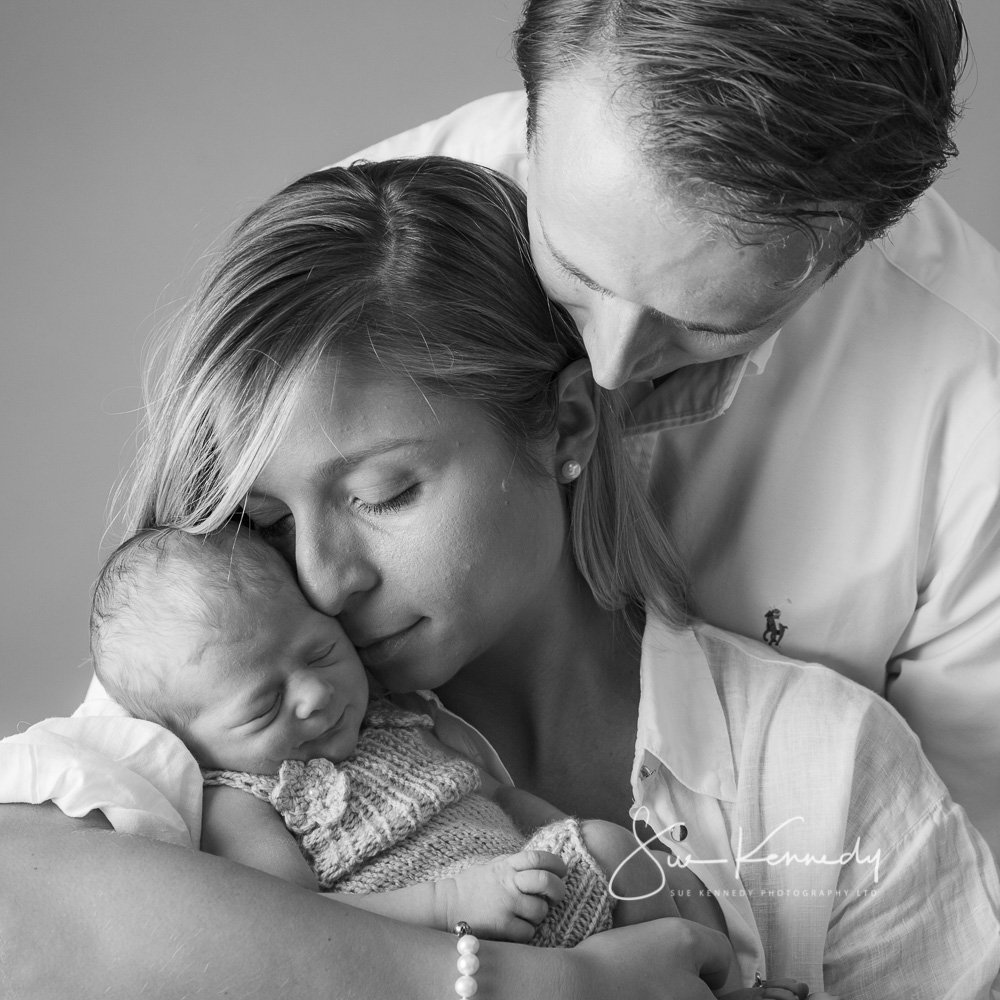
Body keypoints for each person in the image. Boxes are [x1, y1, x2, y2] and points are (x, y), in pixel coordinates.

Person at [1, 158, 997, 999]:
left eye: (383, 493)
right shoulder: (215, 713)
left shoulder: (820, 766)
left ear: (564, 426)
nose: (321, 576)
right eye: (266, 519)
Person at [337, 0, 1000, 858]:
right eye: (573, 268)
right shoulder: (354, 251)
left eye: (708, 323)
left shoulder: (977, 411)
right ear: (536, 114)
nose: (608, 369)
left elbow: (954, 893)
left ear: (855, 245)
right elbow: (137, 785)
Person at [90, 522, 742, 955]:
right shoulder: (241, 801)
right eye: (263, 705)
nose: (314, 695)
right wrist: (449, 904)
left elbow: (494, 797)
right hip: (444, 951)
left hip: (523, 890)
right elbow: (300, 927)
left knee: (617, 851)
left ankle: (723, 979)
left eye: (320, 652)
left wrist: (545, 839)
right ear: (184, 742)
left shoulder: (393, 719)